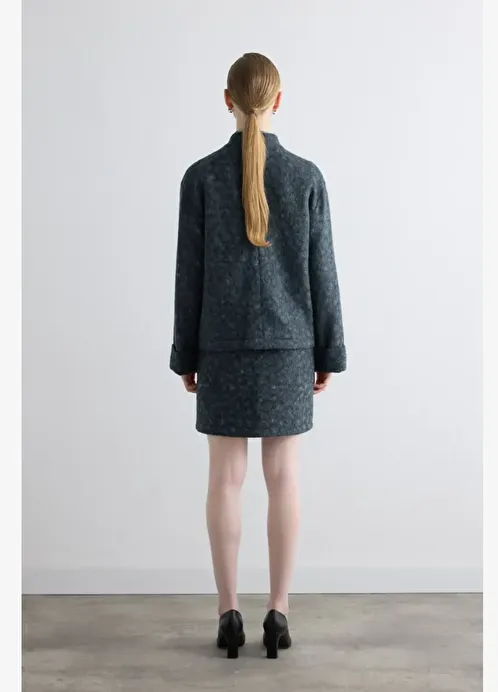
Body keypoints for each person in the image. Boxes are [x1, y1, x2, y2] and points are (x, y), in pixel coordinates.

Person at [170, 52, 346, 659]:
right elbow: (323, 274)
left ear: (228, 100)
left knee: (225, 480)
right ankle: (278, 612)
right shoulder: (307, 177)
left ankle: (228, 614)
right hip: (289, 350)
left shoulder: (200, 178)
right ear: (278, 101)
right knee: (284, 479)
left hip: (221, 347)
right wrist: (329, 350)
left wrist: (185, 353)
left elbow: (188, 276)